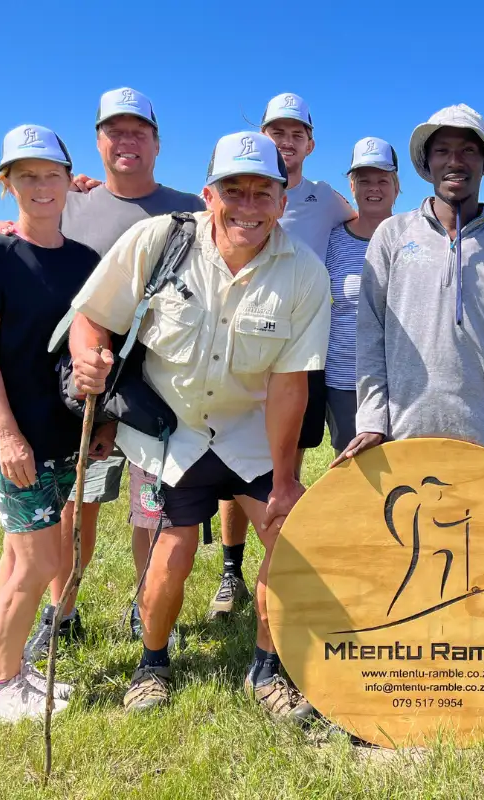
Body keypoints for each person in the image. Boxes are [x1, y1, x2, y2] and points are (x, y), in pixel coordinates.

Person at [68, 132, 331, 720]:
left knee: (292, 542)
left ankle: (267, 668)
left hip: (251, 433)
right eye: (233, 190)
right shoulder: (159, 239)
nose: (247, 206)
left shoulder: (304, 273)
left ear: (283, 200)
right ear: (208, 194)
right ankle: (152, 665)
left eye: (262, 192)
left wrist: (285, 480)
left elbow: (290, 384)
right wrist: (88, 355)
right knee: (172, 552)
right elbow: (92, 315)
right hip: (171, 435)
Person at [0, 88, 209, 655]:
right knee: (75, 504)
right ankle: (62, 612)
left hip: (160, 389)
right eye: (115, 131)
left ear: (157, 142)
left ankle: (146, 606)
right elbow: (34, 236)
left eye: (139, 131)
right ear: (98, 141)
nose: (127, 141)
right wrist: (1, 230)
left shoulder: (191, 208)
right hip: (82, 387)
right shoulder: (71, 202)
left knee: (152, 507)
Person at [0, 125, 105, 721]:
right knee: (41, 563)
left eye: (50, 174)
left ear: (70, 180)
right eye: (26, 176)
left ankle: (13, 671)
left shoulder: (85, 262)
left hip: (62, 433)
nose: (41, 186)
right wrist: (6, 434)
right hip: (14, 440)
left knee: (18, 559)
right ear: (7, 183)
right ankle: (1, 686)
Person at [207, 92, 359, 622]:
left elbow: (373, 220)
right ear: (263, 137)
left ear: (311, 144)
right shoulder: (236, 188)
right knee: (230, 458)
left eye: (297, 134)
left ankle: (279, 565)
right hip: (240, 345)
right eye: (277, 132)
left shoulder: (327, 199)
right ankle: (231, 571)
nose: (287, 142)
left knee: (282, 462)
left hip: (299, 349)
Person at [334, 104, 484, 473]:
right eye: (442, 150)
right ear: (427, 163)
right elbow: (370, 333)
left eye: (468, 150)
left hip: (483, 439)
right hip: (399, 435)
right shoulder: (392, 235)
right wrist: (372, 421)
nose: (455, 161)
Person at [321, 137, 400, 454]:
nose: (373, 188)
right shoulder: (332, 240)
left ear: (396, 186)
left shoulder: (415, 237)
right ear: (351, 186)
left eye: (383, 180)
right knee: (352, 469)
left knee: (406, 467)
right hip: (344, 379)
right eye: (364, 180)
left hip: (402, 380)